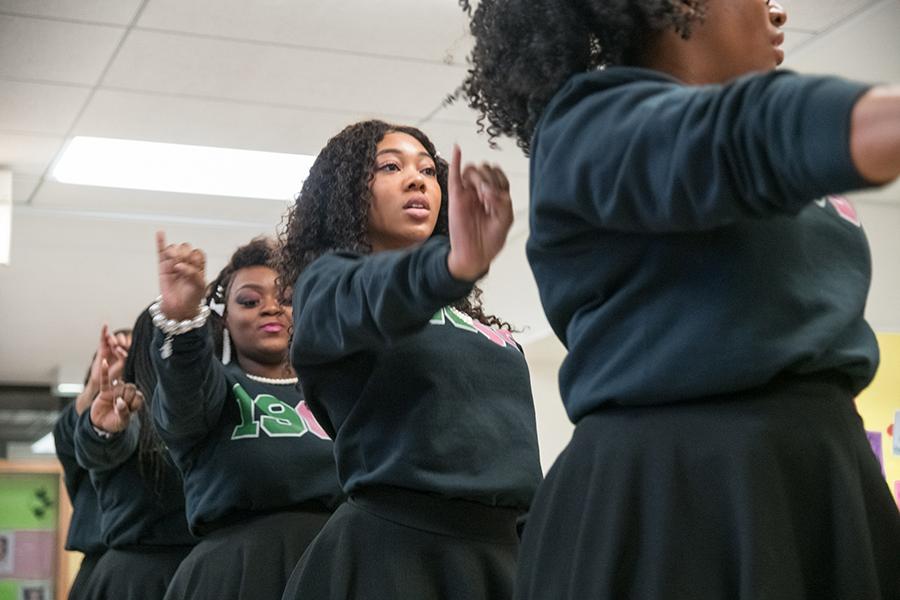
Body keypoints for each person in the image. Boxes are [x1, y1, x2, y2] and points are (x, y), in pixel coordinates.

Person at [458, 0, 900, 598]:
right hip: (680, 497)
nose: (778, 10)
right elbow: (739, 137)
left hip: (818, 476)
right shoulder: (590, 124)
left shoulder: (770, 156)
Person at [274, 120, 543, 599]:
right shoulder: (328, 289)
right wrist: (447, 266)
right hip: (395, 557)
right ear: (348, 192)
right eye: (390, 167)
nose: (417, 179)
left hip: (499, 555)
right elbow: (376, 293)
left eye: (427, 170)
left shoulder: (472, 320)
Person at [151, 236, 342, 600]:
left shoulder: (336, 392)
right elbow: (182, 390)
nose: (271, 308)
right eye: (250, 301)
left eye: (285, 298)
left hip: (338, 567)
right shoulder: (216, 389)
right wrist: (184, 320)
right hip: (236, 577)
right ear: (225, 319)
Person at [74, 311, 195, 599]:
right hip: (134, 576)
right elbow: (98, 443)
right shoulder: (126, 412)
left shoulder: (209, 408)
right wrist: (100, 402)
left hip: (199, 565)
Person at [53, 326, 129, 599]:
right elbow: (67, 435)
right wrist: (97, 384)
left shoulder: (170, 430)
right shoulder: (88, 435)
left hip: (161, 565)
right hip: (98, 567)